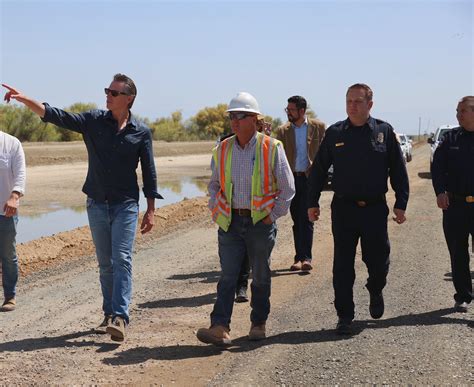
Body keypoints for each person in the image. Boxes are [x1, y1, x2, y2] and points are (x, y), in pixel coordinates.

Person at [2, 74, 162, 342]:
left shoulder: (141, 132)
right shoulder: (93, 121)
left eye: (114, 92)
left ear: (129, 98)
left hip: (126, 205)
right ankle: (109, 314)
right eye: (107, 91)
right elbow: (56, 115)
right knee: (105, 263)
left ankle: (120, 317)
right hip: (97, 203)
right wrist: (24, 99)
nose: (108, 95)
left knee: (122, 258)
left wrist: (151, 209)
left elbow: (149, 171)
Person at [308, 83, 409, 335]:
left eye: (358, 101)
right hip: (344, 209)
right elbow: (319, 169)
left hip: (374, 209)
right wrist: (311, 202)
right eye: (349, 101)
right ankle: (344, 315)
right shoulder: (335, 133)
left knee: (378, 260)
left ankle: (375, 288)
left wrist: (401, 203)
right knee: (342, 264)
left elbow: (398, 169)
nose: (352, 106)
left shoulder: (384, 132)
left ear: (370, 105)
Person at [196, 92, 295, 346]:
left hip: (260, 224)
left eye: (240, 116)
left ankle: (258, 323)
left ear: (254, 119)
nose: (234, 121)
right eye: (232, 116)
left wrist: (271, 216)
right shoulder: (223, 148)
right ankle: (219, 326)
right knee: (228, 276)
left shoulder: (272, 147)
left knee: (260, 275)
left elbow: (287, 188)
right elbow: (214, 185)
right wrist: (216, 209)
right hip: (230, 223)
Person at [431, 96, 474, 313]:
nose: (457, 115)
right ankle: (463, 295)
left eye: (462, 111)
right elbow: (437, 167)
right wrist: (439, 191)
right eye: (457, 111)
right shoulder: (451, 139)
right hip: (456, 205)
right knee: (458, 253)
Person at [275, 96, 325, 271]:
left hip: (310, 179)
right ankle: (299, 258)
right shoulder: (282, 130)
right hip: (291, 180)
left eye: (291, 109)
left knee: (308, 217)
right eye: (287, 109)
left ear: (302, 111)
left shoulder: (318, 127)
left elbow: (325, 154)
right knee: (297, 219)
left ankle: (307, 258)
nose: (288, 112)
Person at [0, 129, 26, 312]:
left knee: (8, 254)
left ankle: (10, 296)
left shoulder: (11, 143)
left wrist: (15, 196)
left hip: (5, 211)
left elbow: (20, 174)